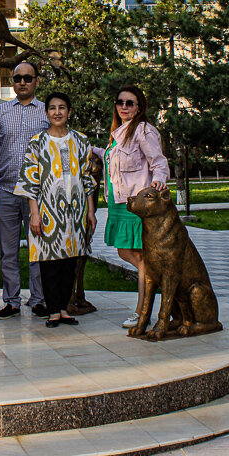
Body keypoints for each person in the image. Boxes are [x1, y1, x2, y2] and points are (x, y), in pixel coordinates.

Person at [14, 92, 97, 327]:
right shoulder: (37, 142)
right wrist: (35, 214)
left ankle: (64, 308)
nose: (57, 112)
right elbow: (30, 181)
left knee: (70, 260)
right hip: (47, 210)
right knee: (49, 262)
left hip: (76, 211)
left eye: (62, 107)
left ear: (69, 112)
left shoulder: (81, 140)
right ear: (47, 113)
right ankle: (52, 311)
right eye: (52, 108)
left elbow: (88, 179)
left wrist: (90, 212)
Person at [102, 85, 169, 328]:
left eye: (130, 103)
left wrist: (158, 183)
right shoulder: (119, 133)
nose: (124, 107)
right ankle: (153, 284)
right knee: (125, 252)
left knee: (141, 257)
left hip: (136, 204)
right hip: (120, 203)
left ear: (139, 107)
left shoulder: (143, 130)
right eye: (120, 102)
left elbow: (158, 162)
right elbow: (113, 160)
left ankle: (142, 311)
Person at [0, 61, 50, 320]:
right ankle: (11, 301)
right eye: (17, 78)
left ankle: (38, 299)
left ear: (36, 81)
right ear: (12, 82)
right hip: (5, 190)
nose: (22, 82)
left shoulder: (48, 111)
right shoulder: (0, 112)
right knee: (8, 249)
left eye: (27, 78)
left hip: (38, 193)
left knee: (38, 248)